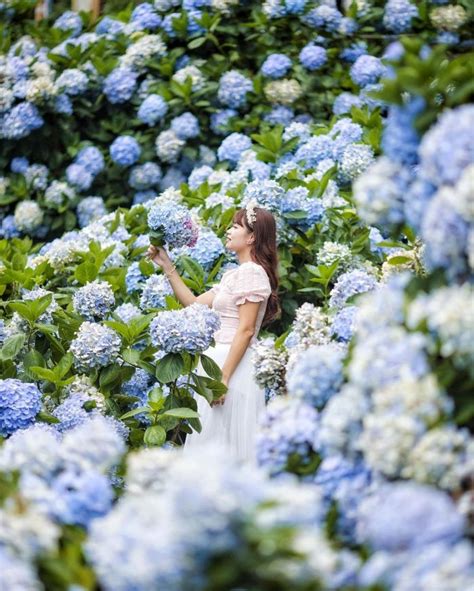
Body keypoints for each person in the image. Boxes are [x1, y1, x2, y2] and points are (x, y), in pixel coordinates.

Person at [146, 202, 279, 464]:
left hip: (232, 366)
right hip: (220, 363)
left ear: (251, 237)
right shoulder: (235, 275)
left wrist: (223, 378)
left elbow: (246, 329)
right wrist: (167, 265)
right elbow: (194, 304)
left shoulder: (251, 272)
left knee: (222, 448)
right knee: (212, 441)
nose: (229, 230)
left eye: (236, 226)